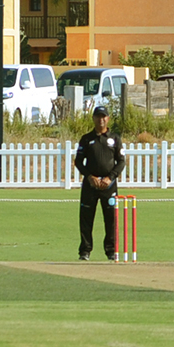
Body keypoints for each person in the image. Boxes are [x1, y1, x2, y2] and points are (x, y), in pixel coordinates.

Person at [74, 105, 125, 260]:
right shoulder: (86, 138)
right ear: (93, 118)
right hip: (91, 185)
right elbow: (78, 162)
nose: (101, 119)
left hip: (108, 186)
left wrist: (110, 177)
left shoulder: (115, 139)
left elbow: (121, 162)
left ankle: (111, 251)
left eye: (104, 116)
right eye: (98, 116)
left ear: (108, 118)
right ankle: (85, 251)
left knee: (111, 220)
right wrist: (90, 177)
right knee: (86, 219)